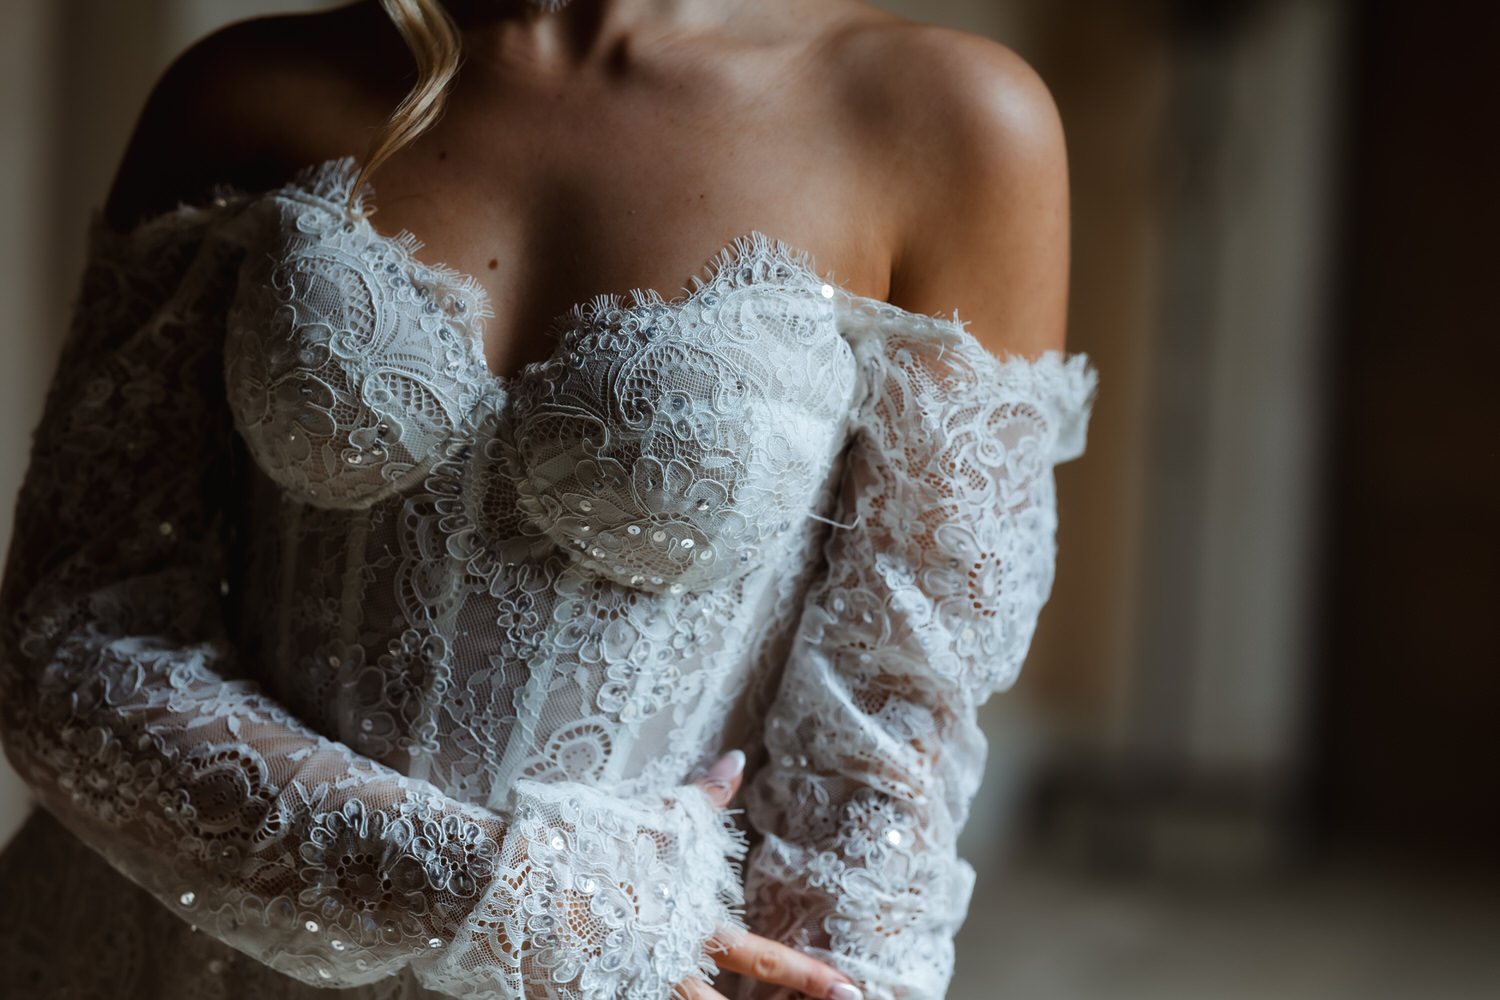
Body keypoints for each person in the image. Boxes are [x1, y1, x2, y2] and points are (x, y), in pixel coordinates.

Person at [0, 0, 1095, 998]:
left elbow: (892, 731)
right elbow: (67, 640)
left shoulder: (943, 121)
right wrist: (496, 891)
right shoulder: (244, 92)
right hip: (149, 958)